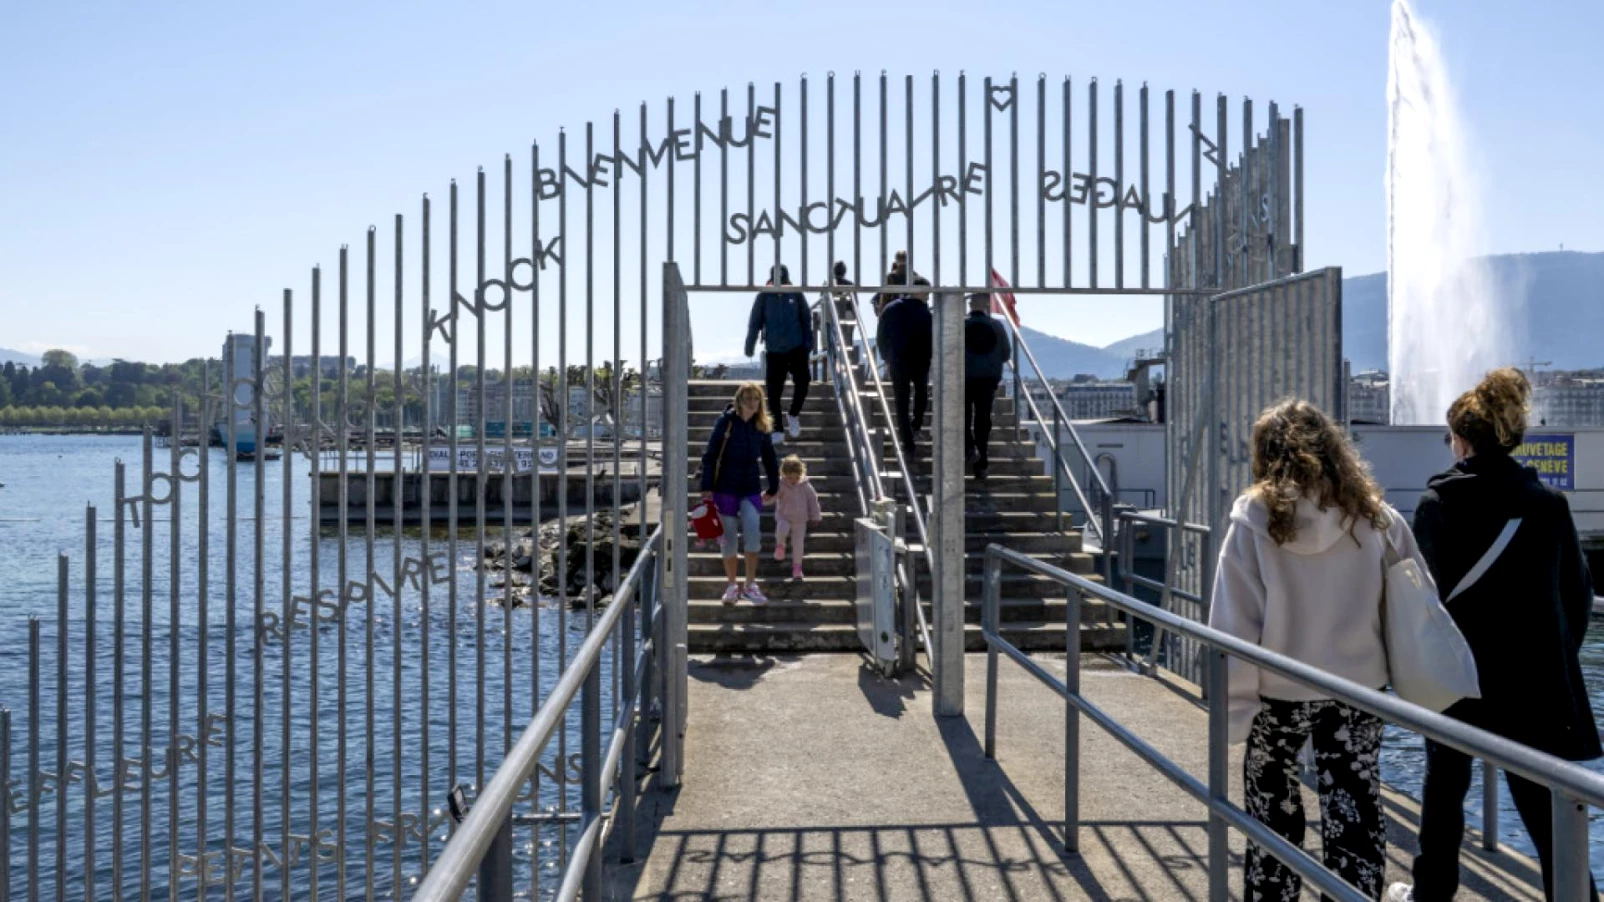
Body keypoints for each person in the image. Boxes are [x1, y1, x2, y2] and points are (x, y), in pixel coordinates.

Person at [1387, 369, 1600, 902]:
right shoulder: (1547, 505)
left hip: (1460, 680)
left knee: (1444, 789)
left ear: (1461, 438)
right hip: (1532, 686)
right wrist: (1551, 658)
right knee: (1546, 809)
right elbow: (1577, 596)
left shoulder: (1438, 505)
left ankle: (1431, 893)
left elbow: (1426, 602)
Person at [1210, 399, 1426, 901]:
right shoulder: (1376, 516)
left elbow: (1233, 625)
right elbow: (1415, 598)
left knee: (1272, 815)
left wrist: (1234, 709)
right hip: (1359, 688)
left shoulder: (1253, 519)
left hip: (1278, 692)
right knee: (1355, 810)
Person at [700, 382, 780, 604]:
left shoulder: (761, 426)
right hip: (725, 488)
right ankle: (732, 585)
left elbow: (770, 458)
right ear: (739, 400)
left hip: (750, 487)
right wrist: (707, 488)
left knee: (753, 536)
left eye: (756, 399)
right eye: (748, 399)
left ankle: (750, 585)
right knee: (729, 540)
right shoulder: (726, 422)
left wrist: (774, 487)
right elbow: (710, 455)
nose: (752, 403)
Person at [744, 264, 813, 443]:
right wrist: (750, 343)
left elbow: (806, 318)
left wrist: (808, 343)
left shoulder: (796, 294)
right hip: (774, 350)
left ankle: (793, 414)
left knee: (803, 382)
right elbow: (755, 321)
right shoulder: (764, 296)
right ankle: (778, 428)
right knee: (774, 391)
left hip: (797, 347)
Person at [874, 274, 932, 455]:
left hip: (898, 360)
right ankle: (916, 425)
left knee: (901, 400)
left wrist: (886, 357)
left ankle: (907, 442)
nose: (929, 296)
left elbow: (881, 336)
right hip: (921, 360)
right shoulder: (925, 312)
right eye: (927, 293)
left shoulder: (891, 309)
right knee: (921, 393)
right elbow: (932, 338)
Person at [964, 291, 1011, 480]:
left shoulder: (961, 325)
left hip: (964, 378)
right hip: (988, 379)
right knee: (983, 420)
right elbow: (1006, 354)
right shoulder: (997, 326)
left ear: (970, 306)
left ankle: (969, 448)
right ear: (987, 306)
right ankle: (982, 463)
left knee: (964, 416)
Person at [773, 455, 822, 581]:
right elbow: (772, 496)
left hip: (801, 520)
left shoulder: (806, 486)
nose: (792, 481)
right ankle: (780, 545)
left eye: (795, 478)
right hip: (784, 516)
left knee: (798, 544)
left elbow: (813, 501)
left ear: (801, 474)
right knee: (782, 529)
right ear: (783, 474)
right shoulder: (781, 485)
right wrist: (763, 499)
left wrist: (815, 516)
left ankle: (797, 568)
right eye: (789, 478)